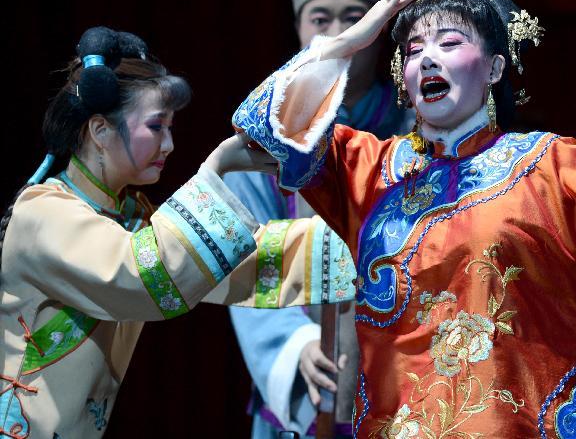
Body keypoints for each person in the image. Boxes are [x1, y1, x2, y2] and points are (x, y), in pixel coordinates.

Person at [232, 0, 576, 437]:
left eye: (450, 43)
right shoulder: (365, 168)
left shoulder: (550, 164)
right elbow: (261, 124)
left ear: (495, 67)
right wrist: (350, 42)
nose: (428, 59)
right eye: (414, 50)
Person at [0, 27, 352, 437]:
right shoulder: (43, 214)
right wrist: (217, 168)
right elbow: (147, 275)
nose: (168, 144)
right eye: (156, 127)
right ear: (99, 130)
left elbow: (229, 263)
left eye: (170, 128)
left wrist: (355, 240)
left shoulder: (126, 214)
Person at [226, 0, 412, 438]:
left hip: (405, 364)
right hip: (312, 365)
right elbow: (246, 254)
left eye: (354, 18)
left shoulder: (416, 130)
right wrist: (295, 343)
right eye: (320, 19)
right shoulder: (268, 140)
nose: (337, 33)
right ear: (298, 28)